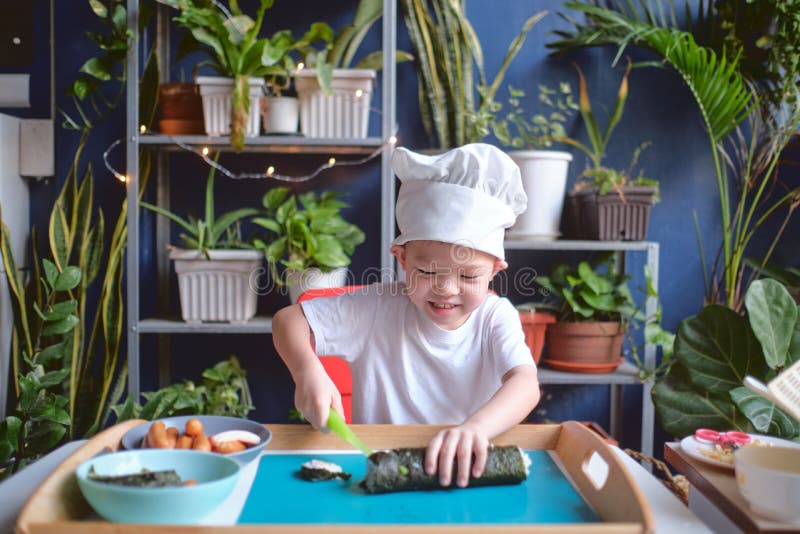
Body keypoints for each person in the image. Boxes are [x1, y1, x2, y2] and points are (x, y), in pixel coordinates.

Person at [272, 143, 541, 488]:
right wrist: (306, 369)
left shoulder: (494, 318)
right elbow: (287, 320)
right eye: (427, 272)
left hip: (472, 473)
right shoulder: (378, 307)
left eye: (469, 276)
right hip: (384, 473)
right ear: (402, 258)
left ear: (495, 270)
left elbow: (525, 384)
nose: (446, 288)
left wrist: (475, 429)